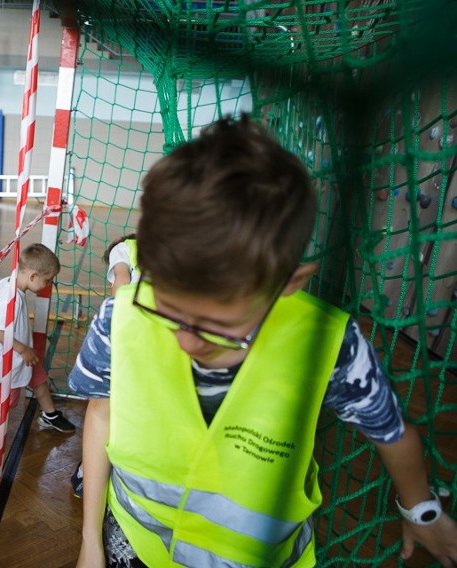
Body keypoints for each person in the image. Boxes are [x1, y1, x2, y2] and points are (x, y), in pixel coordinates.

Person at [70, 116, 457, 567]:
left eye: (216, 322)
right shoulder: (122, 315)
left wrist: (422, 511)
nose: (187, 341)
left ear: (287, 284)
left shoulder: (326, 344)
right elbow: (102, 414)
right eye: (169, 309)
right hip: (135, 541)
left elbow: (392, 432)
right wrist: (89, 541)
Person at [0, 243, 76, 446]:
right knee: (7, 400)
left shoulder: (6, 282)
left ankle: (50, 415)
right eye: (48, 280)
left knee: (38, 378)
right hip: (9, 358)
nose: (48, 285)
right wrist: (23, 348)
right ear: (33, 276)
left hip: (20, 354)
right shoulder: (12, 298)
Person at [72, 233, 142, 498]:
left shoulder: (122, 248)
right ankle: (89, 471)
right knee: (111, 410)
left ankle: (92, 472)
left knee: (111, 410)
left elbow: (121, 282)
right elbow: (122, 282)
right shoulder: (136, 249)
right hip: (140, 332)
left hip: (132, 331)